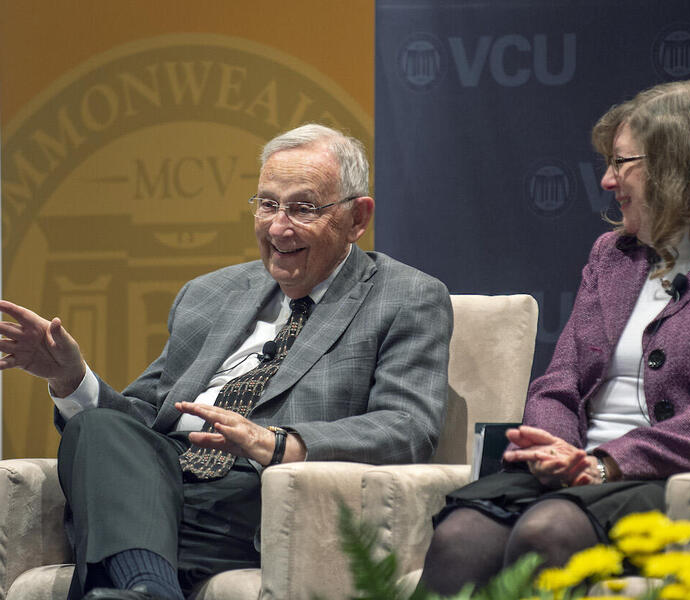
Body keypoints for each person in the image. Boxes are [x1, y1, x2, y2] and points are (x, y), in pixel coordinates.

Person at [0, 124, 453, 600]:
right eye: (268, 204)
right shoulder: (210, 294)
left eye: (303, 208)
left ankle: (140, 577)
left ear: (357, 218)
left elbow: (407, 427)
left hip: (261, 492)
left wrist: (275, 443)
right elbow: (141, 422)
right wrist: (72, 379)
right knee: (95, 428)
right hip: (163, 479)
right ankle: (150, 589)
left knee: (114, 520)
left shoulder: (405, 297)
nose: (278, 228)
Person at [417, 80, 690, 595]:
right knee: (461, 536)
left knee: (548, 531)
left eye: (622, 163)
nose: (606, 180)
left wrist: (610, 463)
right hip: (582, 469)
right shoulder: (613, 254)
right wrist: (556, 451)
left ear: (680, 165)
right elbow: (560, 383)